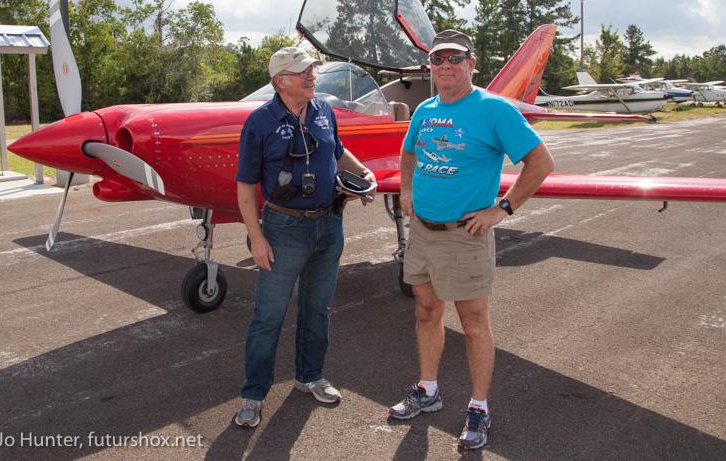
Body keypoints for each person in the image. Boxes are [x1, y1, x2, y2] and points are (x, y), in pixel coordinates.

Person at [390, 30, 554, 450]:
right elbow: (409, 151)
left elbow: (541, 162)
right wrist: (406, 189)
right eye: (437, 59)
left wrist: (502, 209)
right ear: (430, 66)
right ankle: (428, 390)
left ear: (471, 64)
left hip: (465, 236)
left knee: (474, 324)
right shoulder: (425, 110)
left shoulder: (494, 109)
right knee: (426, 311)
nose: (445, 65)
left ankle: (478, 406)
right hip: (423, 232)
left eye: (454, 58)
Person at [234, 46, 377, 427]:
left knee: (318, 309)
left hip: (329, 225)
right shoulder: (259, 122)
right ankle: (253, 395)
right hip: (283, 229)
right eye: (303, 72)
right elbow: (245, 185)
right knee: (268, 317)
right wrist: (257, 237)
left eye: (312, 70)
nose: (312, 76)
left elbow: (338, 152)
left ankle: (310, 376)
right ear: (280, 81)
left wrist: (364, 174)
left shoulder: (324, 111)